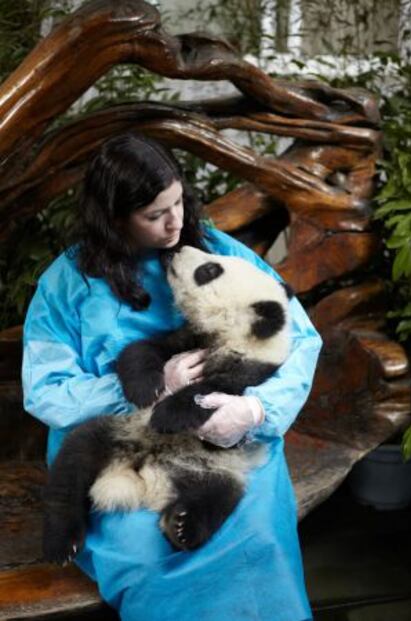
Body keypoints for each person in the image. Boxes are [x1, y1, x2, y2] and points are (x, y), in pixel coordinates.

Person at [22, 133, 322, 621]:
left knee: (254, 537)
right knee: (148, 552)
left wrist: (255, 410)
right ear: (115, 216)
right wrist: (153, 387)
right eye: (154, 214)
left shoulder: (219, 252)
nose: (176, 223)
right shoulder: (66, 283)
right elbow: (45, 391)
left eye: (179, 201)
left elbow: (300, 340)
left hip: (227, 440)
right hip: (123, 446)